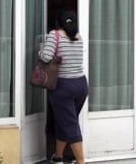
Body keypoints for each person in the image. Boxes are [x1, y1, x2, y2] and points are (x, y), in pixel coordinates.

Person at [39, 9, 88, 164]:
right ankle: (58, 156)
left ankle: (81, 161)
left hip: (63, 86)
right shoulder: (78, 36)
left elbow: (46, 56)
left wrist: (40, 49)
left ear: (58, 23)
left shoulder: (55, 35)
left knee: (70, 124)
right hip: (81, 85)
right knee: (65, 121)